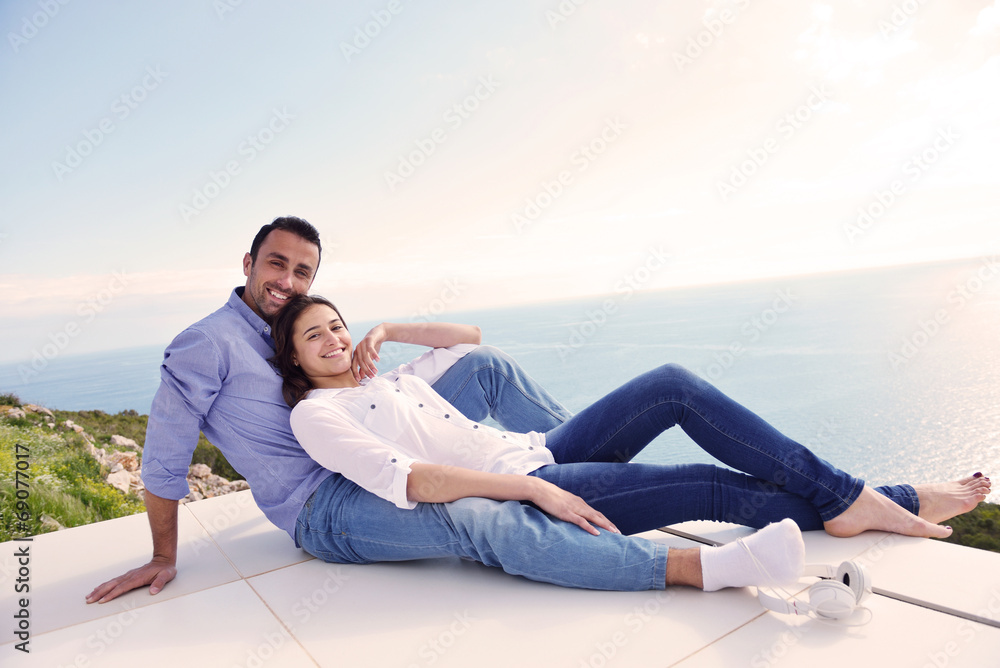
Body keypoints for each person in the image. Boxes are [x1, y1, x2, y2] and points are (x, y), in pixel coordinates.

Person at [86, 216, 799, 602]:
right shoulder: (205, 344)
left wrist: (379, 339)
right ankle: (688, 567)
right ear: (247, 263)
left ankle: (563, 465)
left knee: (481, 368)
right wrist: (163, 555)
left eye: (303, 272)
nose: (288, 280)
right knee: (482, 519)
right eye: (276, 265)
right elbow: (166, 451)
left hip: (355, 424)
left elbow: (469, 342)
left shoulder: (317, 339)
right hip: (325, 494)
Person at [271, 294, 991, 572]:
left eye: (337, 325)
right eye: (315, 334)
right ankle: (884, 498)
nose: (333, 338)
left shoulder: (392, 382)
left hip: (543, 453)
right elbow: (415, 483)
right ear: (294, 357)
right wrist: (527, 488)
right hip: (533, 486)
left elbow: (471, 338)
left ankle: (846, 498)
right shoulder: (317, 415)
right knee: (712, 489)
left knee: (674, 383)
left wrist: (388, 330)